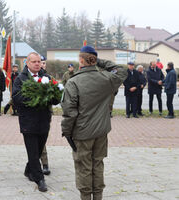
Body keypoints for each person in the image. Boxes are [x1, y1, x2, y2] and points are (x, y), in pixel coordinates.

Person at [61, 46, 127, 200]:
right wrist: (98, 61)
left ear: (81, 61)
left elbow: (70, 112)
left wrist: (67, 132)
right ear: (94, 60)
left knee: (83, 167)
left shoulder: (73, 82)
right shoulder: (106, 79)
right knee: (97, 164)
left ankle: (85, 197)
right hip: (101, 131)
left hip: (82, 133)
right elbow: (122, 71)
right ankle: (98, 196)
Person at [12, 52, 59, 192]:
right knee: (33, 152)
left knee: (38, 150)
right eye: (34, 61)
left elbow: (55, 98)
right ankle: (40, 179)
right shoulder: (21, 79)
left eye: (39, 61)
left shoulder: (47, 77)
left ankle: (29, 170)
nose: (37, 64)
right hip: (28, 122)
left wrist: (53, 96)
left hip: (44, 120)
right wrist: (35, 98)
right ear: (27, 63)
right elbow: (16, 98)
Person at [38, 55, 51, 176]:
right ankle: (41, 163)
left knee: (43, 138)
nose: (42, 65)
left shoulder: (48, 78)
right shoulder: (32, 77)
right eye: (40, 62)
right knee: (35, 139)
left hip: (46, 113)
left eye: (44, 63)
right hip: (35, 114)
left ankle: (43, 162)